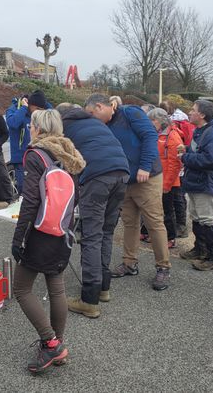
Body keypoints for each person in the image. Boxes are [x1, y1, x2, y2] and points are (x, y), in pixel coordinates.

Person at [11, 109, 85, 373]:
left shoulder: (36, 155)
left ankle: (50, 343)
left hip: (40, 232)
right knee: (56, 287)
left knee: (21, 288)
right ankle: (58, 346)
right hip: (62, 231)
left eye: (31, 125)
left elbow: (30, 201)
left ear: (39, 129)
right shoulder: (68, 155)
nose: (29, 129)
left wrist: (18, 238)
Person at [85, 94, 171, 291]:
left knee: (154, 222)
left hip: (146, 177)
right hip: (124, 180)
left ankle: (163, 267)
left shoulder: (130, 113)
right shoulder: (102, 125)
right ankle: (130, 262)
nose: (91, 118)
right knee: (130, 223)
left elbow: (150, 136)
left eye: (91, 113)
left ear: (100, 106)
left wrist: (145, 166)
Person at [56, 103, 129, 319]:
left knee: (91, 236)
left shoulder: (65, 125)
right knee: (106, 232)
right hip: (122, 173)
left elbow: (63, 161)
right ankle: (104, 289)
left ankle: (89, 299)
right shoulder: (94, 122)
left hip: (98, 177)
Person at [178, 99, 213, 271]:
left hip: (206, 183)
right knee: (197, 218)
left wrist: (185, 157)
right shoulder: (200, 131)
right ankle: (200, 249)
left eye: (193, 110)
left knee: (207, 219)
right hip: (196, 182)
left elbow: (212, 159)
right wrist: (186, 150)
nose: (190, 112)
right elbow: (200, 153)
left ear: (202, 115)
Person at [147, 108, 184, 248]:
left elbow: (175, 163)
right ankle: (159, 236)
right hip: (159, 179)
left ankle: (170, 238)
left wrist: (166, 185)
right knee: (158, 210)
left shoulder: (172, 136)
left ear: (158, 121)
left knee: (168, 211)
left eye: (151, 120)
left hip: (168, 182)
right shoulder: (160, 135)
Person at [5, 90, 50, 195]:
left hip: (38, 157)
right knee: (24, 188)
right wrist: (23, 108)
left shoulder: (39, 112)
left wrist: (43, 100)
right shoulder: (14, 109)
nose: (39, 112)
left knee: (38, 189)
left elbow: (53, 114)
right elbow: (13, 123)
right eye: (37, 108)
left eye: (41, 109)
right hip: (21, 158)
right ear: (30, 104)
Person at [160, 99, 194, 238]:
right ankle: (180, 225)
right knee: (178, 197)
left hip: (179, 162)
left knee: (177, 197)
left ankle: (180, 226)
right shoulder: (181, 122)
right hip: (181, 161)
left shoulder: (176, 127)